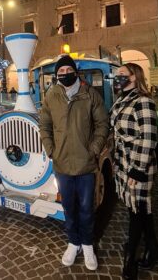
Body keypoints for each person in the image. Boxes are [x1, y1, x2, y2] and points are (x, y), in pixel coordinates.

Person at [39, 55, 109, 269]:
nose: (64, 75)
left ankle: (87, 245)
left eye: (67, 71)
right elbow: (45, 125)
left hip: (85, 163)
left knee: (87, 207)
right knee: (68, 206)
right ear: (56, 75)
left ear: (75, 72)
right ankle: (73, 242)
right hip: (62, 163)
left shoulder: (90, 95)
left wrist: (95, 149)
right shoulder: (51, 95)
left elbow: (102, 124)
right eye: (60, 73)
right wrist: (51, 150)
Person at [110, 63, 158, 280]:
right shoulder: (123, 100)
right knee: (141, 209)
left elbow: (149, 137)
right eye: (116, 76)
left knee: (136, 211)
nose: (117, 79)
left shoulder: (143, 101)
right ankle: (155, 250)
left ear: (134, 77)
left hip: (138, 165)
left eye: (122, 75)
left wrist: (137, 171)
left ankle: (130, 260)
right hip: (125, 163)